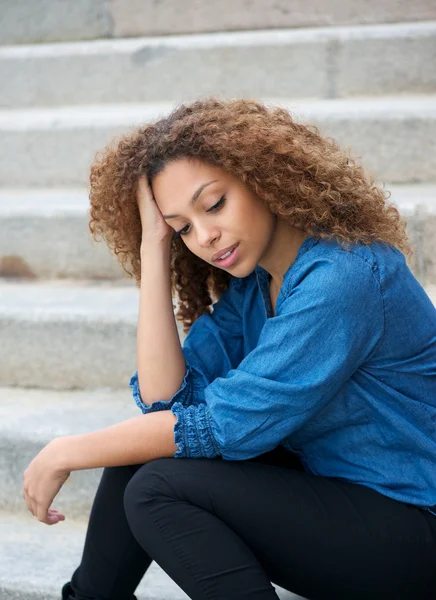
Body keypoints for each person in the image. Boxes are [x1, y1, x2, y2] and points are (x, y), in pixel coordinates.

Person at [22, 98, 436, 600]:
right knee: (140, 453)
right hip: (343, 500)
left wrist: (69, 450)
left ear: (264, 177)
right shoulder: (256, 287)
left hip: (414, 525)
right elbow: (167, 402)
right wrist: (155, 245)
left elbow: (222, 424)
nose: (205, 236)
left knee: (158, 488)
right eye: (183, 227)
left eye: (213, 205)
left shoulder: (344, 278)